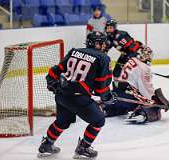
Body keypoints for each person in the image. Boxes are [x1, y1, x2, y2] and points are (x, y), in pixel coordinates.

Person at [37, 31, 116, 159]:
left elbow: (54, 71)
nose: (104, 46)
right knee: (99, 120)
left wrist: (52, 83)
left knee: (63, 121)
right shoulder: (103, 58)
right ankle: (83, 148)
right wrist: (107, 97)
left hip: (62, 95)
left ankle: (46, 145)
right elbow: (101, 86)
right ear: (97, 44)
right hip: (79, 98)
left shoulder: (74, 51)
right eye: (102, 43)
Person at [103, 46, 169, 123]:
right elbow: (145, 88)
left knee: (120, 107)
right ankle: (141, 114)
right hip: (129, 98)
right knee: (154, 108)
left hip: (117, 94)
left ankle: (108, 108)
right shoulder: (144, 68)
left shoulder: (132, 60)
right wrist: (154, 99)